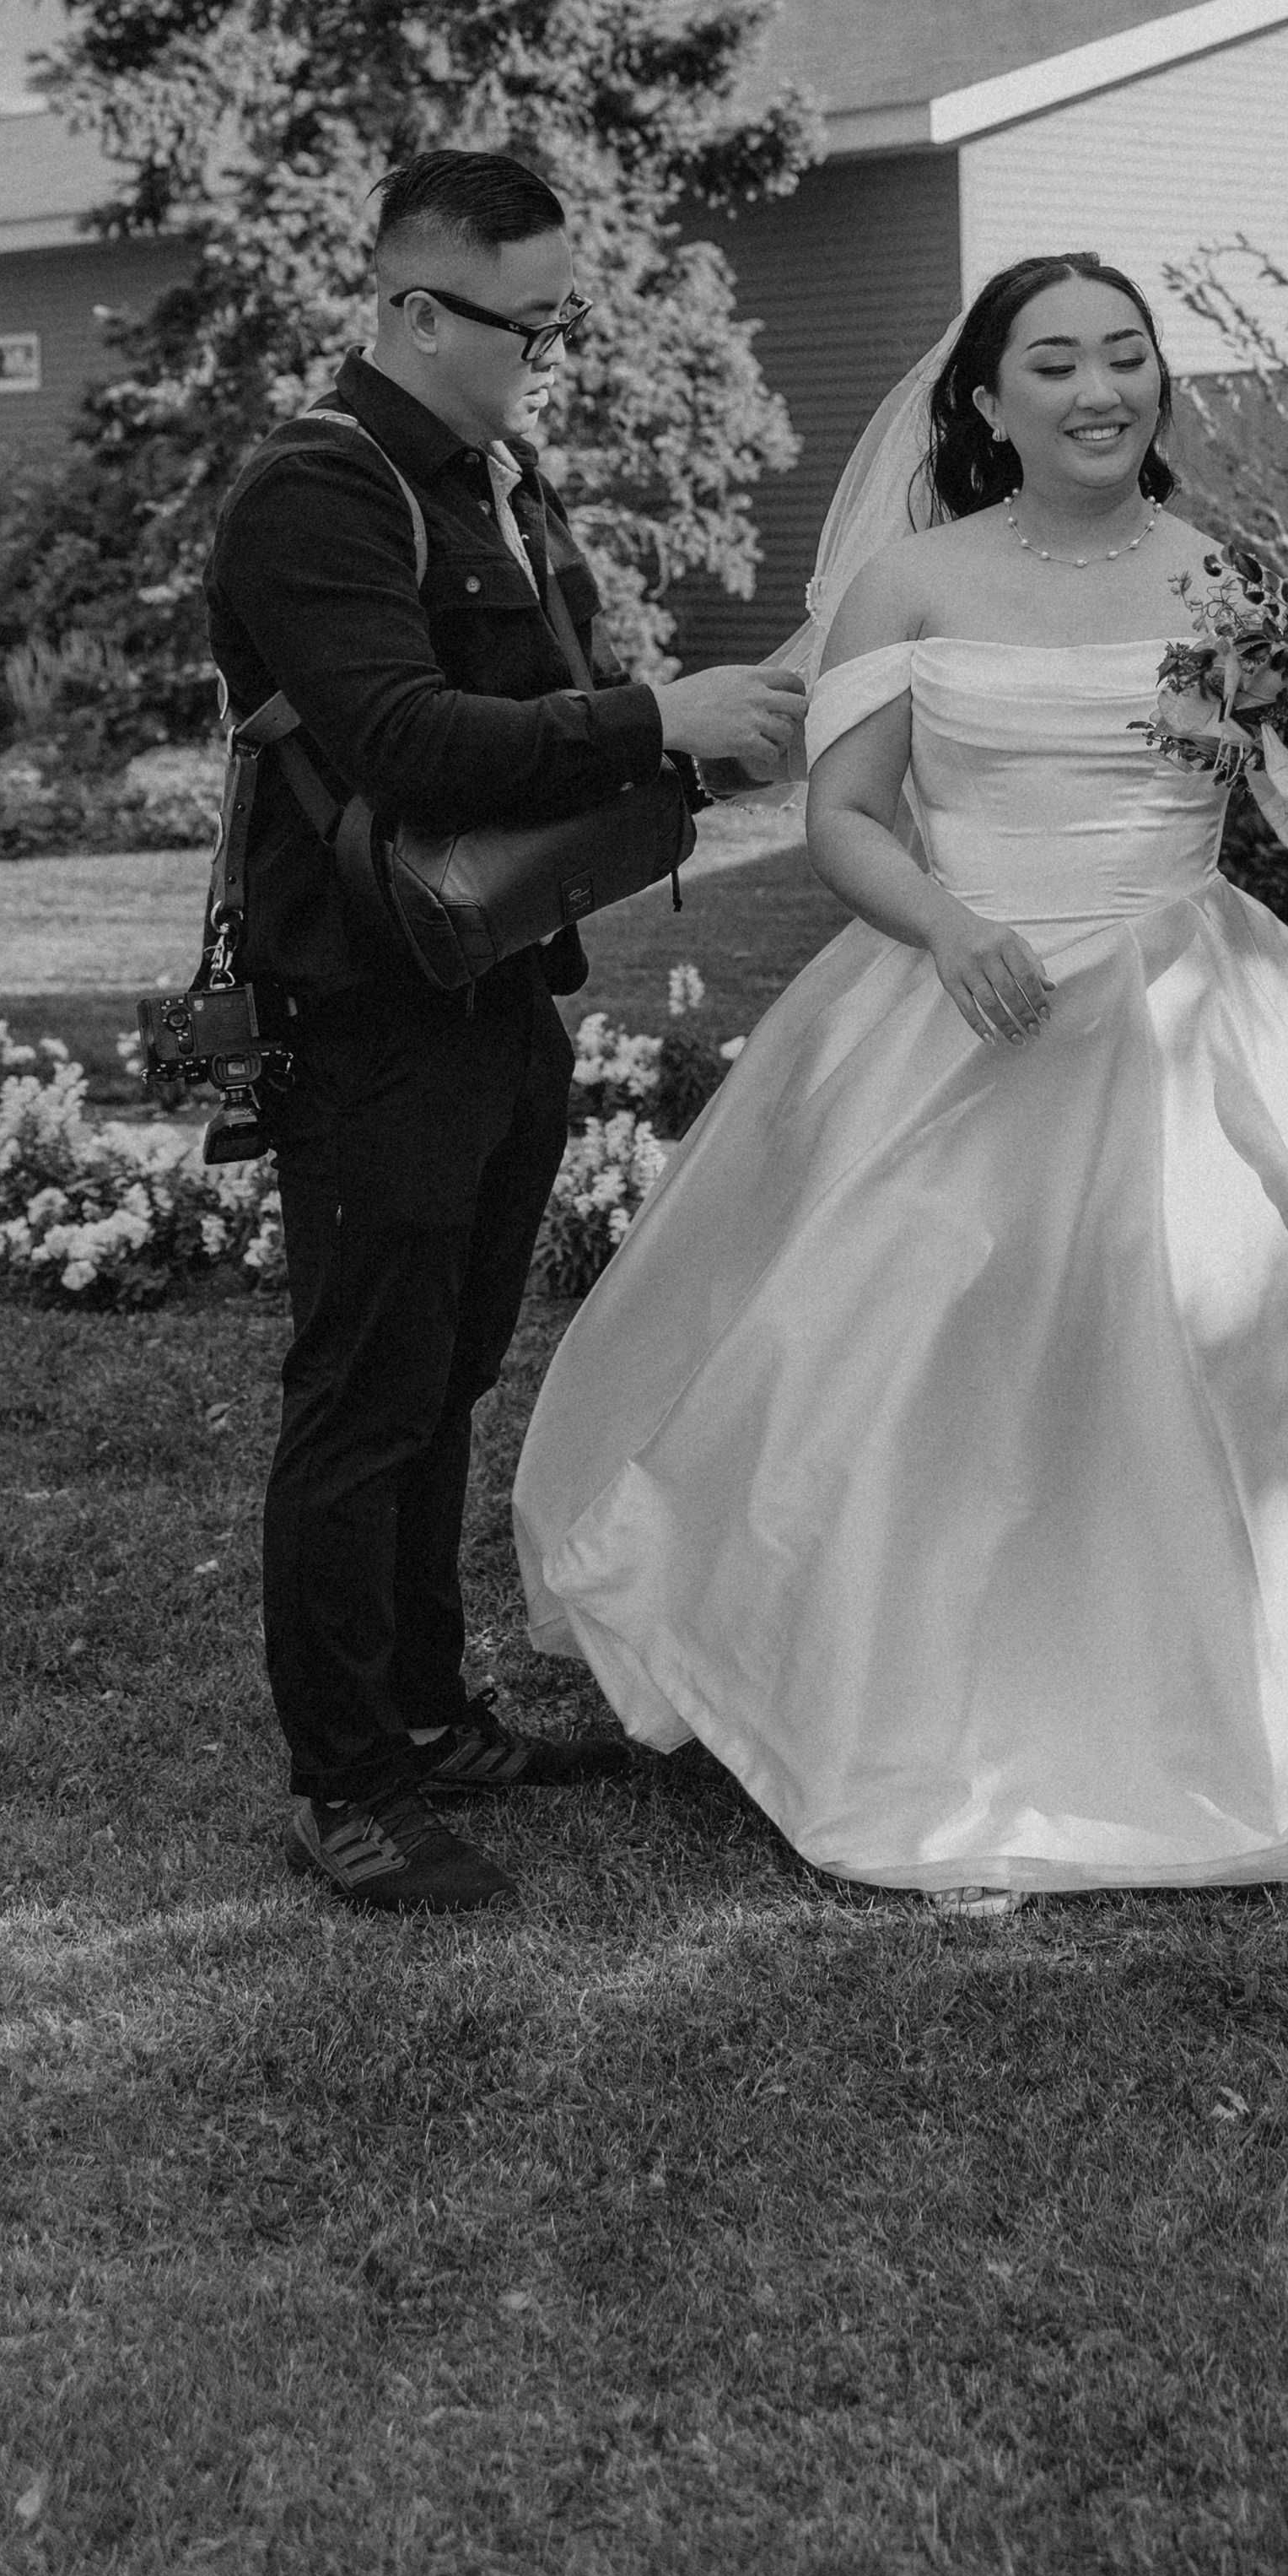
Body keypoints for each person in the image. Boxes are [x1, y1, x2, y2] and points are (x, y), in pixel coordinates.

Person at [512, 252, 1288, 1897]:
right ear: (990, 401)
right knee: (931, 1359)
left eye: (1127, 357)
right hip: (962, 1001)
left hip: (1192, 1010)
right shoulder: (912, 585)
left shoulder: (1228, 581)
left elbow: (1273, 798)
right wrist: (946, 927)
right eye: (1057, 362)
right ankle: (929, 1708)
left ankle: (1227, 1693)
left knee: (1234, 1341)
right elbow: (843, 813)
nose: (1099, 390)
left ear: (1161, 384)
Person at [207, 148, 806, 1918]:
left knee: (451, 1372)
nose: (543, 360)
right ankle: (349, 1782)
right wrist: (650, 711)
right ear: (411, 308)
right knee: (363, 1395)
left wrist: (678, 738)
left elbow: (535, 715)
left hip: (498, 993)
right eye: (523, 329)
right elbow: (403, 738)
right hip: (367, 1013)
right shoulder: (314, 494)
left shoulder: (491, 479)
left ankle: (428, 1713)